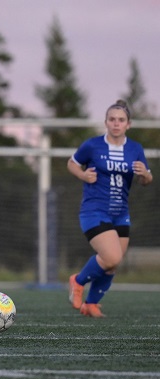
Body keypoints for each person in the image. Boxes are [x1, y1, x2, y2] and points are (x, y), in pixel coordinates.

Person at [67, 99, 152, 318]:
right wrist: (83, 175)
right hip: (94, 210)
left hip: (120, 213)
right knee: (112, 257)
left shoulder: (135, 149)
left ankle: (91, 304)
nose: (116, 123)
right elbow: (72, 163)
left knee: (111, 265)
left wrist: (145, 174)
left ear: (128, 124)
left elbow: (146, 180)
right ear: (106, 122)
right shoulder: (93, 145)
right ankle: (77, 281)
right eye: (112, 119)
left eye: (121, 120)